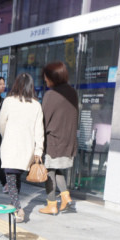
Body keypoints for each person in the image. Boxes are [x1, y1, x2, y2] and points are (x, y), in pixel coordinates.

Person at [0, 73, 45, 223]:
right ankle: (14, 204)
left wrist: (6, 136)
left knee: (11, 178)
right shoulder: (36, 105)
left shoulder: (9, 101)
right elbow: (39, 130)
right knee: (15, 177)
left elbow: (1, 123)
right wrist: (38, 150)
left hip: (10, 145)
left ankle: (18, 209)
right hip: (27, 148)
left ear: (16, 84)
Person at [40, 61, 79, 215]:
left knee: (49, 171)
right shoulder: (72, 92)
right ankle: (65, 196)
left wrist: (38, 139)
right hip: (68, 139)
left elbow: (44, 119)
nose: (45, 79)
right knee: (54, 168)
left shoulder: (51, 94)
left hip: (53, 139)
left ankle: (51, 204)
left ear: (53, 77)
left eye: (46, 77)